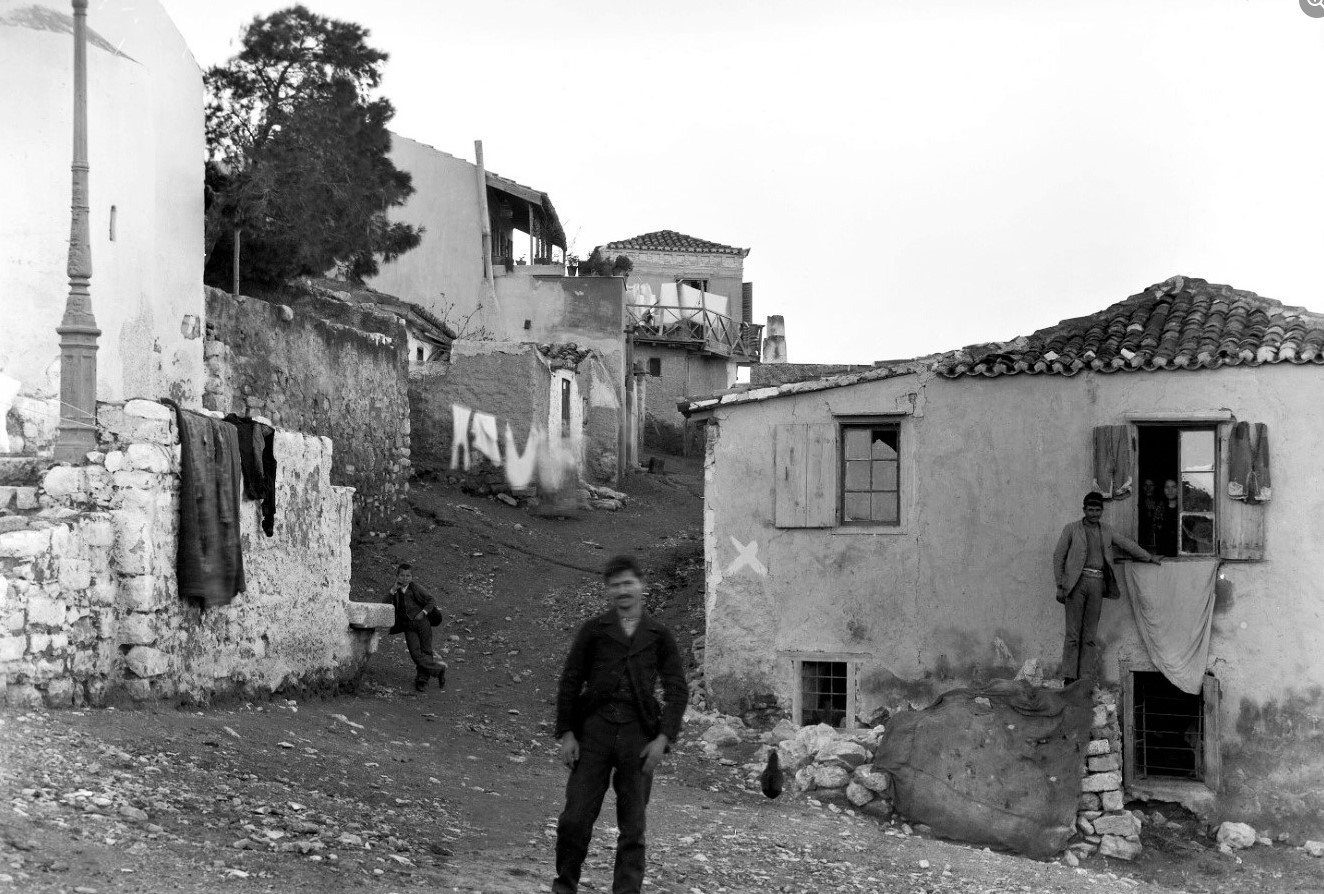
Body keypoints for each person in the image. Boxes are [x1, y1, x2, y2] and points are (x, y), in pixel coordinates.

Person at [552, 555, 687, 894]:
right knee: (574, 819)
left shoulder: (659, 635)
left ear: (642, 585)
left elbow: (676, 689)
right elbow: (571, 680)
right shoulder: (594, 630)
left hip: (638, 738)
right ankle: (564, 886)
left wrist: (663, 738)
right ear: (608, 590)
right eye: (615, 585)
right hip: (593, 733)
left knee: (633, 828)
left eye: (628, 583)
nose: (623, 591)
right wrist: (567, 733)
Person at [1052, 492, 1162, 685]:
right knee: (1073, 634)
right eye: (1090, 510)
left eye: (1097, 510)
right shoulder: (1071, 529)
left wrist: (1148, 557)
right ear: (1084, 510)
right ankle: (1069, 678)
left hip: (1097, 583)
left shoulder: (1106, 530)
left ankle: (1084, 679)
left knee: (1089, 635)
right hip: (1075, 584)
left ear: (1102, 511)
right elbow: (1058, 556)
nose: (1094, 513)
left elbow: (1126, 544)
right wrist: (1060, 585)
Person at [386, 563, 447, 692]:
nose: (405, 578)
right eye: (402, 575)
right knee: (415, 653)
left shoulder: (416, 588)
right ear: (397, 576)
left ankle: (422, 679)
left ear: (412, 577)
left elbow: (431, 600)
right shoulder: (394, 589)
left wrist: (423, 612)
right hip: (408, 626)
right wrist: (392, 590)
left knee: (426, 651)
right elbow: (385, 604)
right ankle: (438, 670)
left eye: (408, 576)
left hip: (422, 624)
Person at [1154, 478, 1181, 556]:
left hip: (1181, 552)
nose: (1170, 490)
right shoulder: (1158, 508)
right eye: (1167, 487)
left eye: (1174, 487)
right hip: (1162, 552)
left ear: (1179, 489)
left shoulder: (1184, 508)